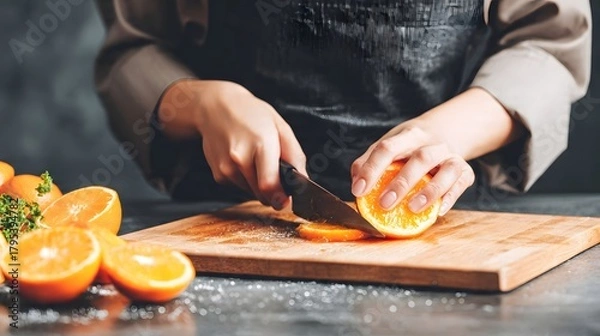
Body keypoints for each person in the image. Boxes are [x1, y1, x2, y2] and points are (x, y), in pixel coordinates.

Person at [94, 0, 591, 215]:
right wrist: (204, 103)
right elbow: (133, 51)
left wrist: (445, 135)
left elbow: (548, 45)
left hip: (447, 221)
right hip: (227, 220)